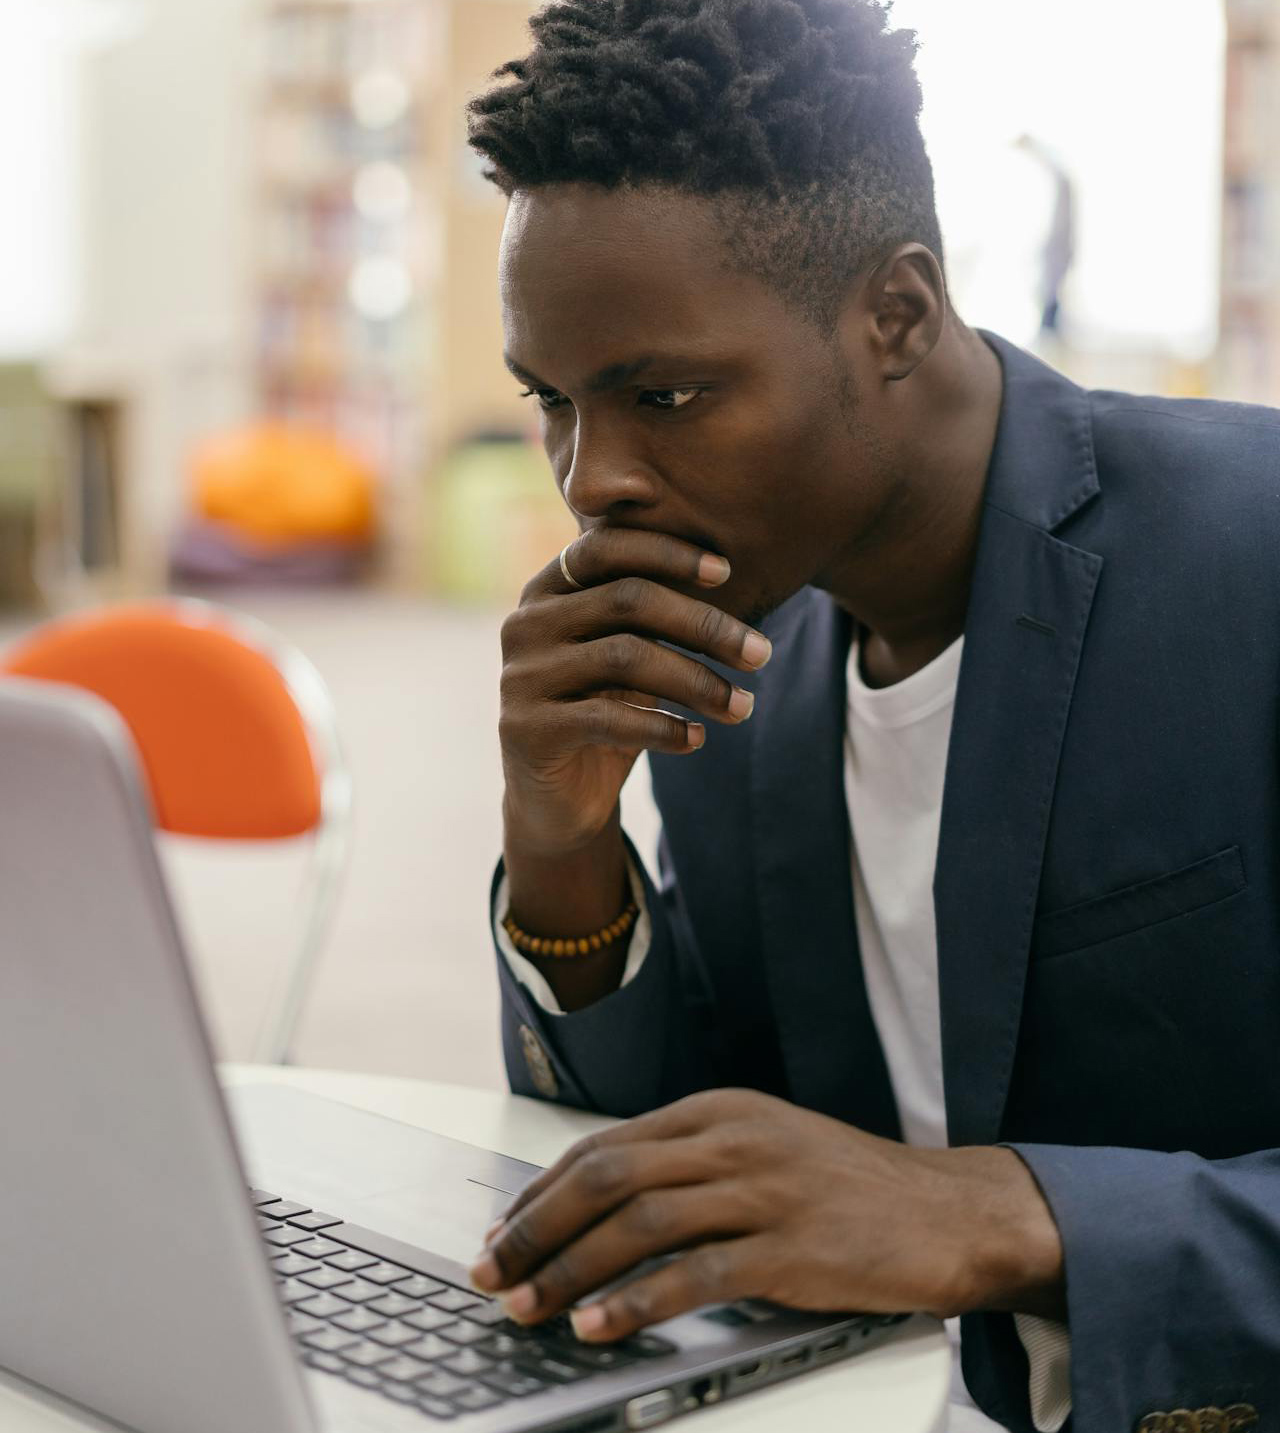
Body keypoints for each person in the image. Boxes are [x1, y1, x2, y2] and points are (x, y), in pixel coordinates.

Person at [460, 2, 1280, 1430]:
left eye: (663, 394)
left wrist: (1013, 1213)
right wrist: (562, 843)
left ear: (896, 313)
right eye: (555, 403)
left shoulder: (1250, 558)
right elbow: (682, 1157)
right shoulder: (737, 650)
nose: (591, 481)